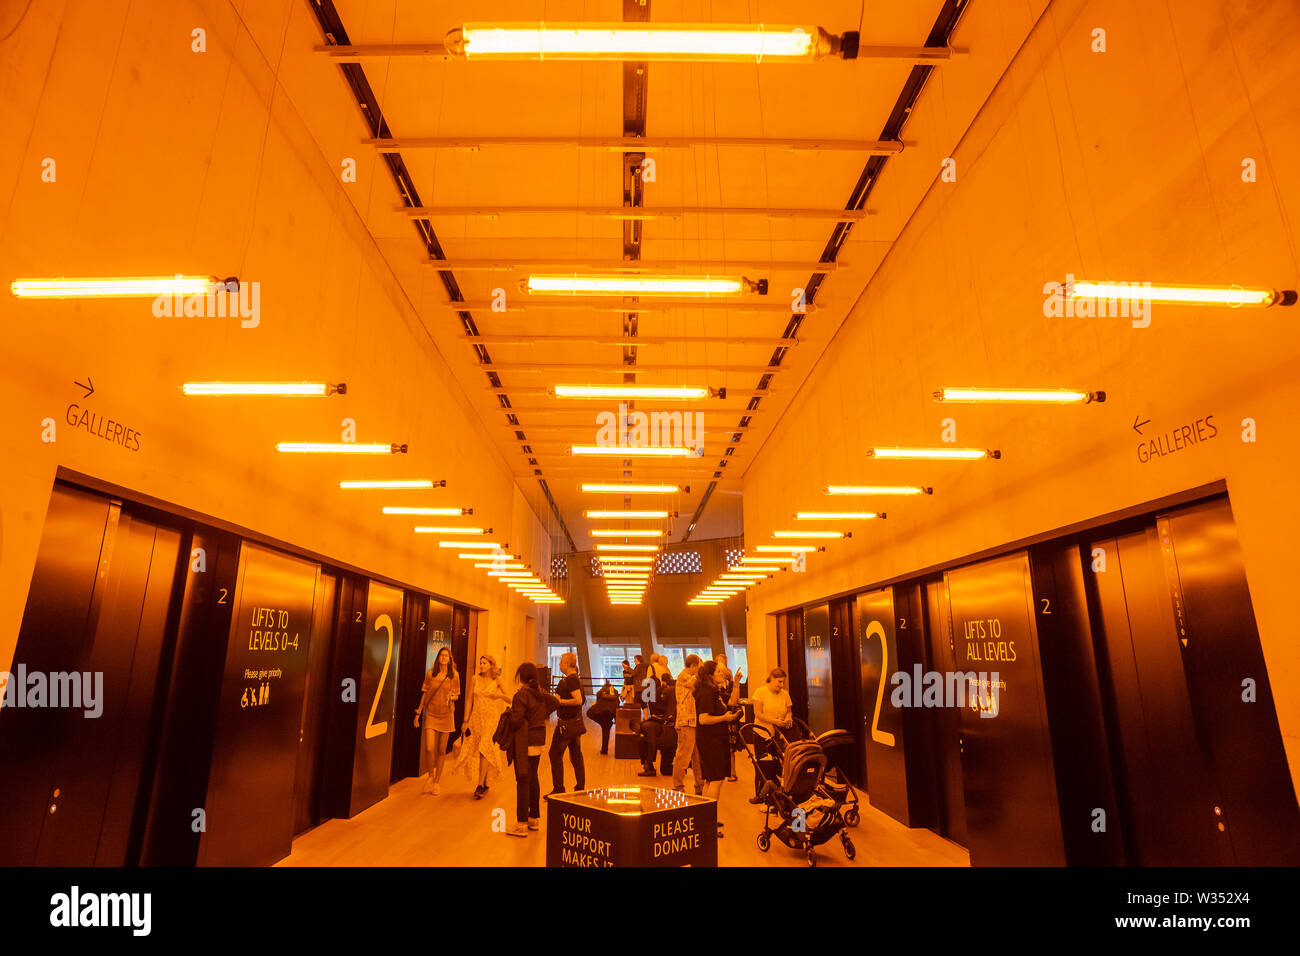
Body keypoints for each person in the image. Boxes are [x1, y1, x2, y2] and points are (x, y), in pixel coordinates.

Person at [504, 662, 560, 837]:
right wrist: (541, 715)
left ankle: (521, 823)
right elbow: (555, 702)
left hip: (525, 741)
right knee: (533, 777)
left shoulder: (521, 695)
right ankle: (534, 819)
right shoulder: (540, 694)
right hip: (539, 739)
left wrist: (509, 714)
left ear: (521, 677)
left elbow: (516, 720)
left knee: (522, 779)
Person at [453, 653, 512, 798]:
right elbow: (468, 700)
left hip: (491, 718)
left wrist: (498, 696)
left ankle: (479, 785)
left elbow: (510, 698)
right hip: (476, 718)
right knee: (478, 749)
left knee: (484, 748)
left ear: (491, 665)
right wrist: (465, 720)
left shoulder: (497, 680)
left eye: (485, 663)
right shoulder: (475, 679)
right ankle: (484, 782)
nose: (481, 665)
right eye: (481, 663)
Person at [695, 660, 741, 835]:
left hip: (714, 738)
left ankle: (706, 819)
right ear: (711, 675)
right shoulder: (706, 692)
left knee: (710, 779)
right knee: (716, 780)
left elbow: (730, 703)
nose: (724, 673)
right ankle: (708, 823)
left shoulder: (714, 690)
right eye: (720, 671)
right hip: (710, 739)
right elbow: (703, 719)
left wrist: (736, 683)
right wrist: (725, 719)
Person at [414, 647, 460, 795]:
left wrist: (452, 698)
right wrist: (418, 712)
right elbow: (425, 694)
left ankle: (437, 782)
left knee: (441, 750)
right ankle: (430, 776)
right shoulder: (430, 674)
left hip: (447, 715)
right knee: (429, 748)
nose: (444, 657)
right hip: (432, 714)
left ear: (450, 658)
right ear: (438, 658)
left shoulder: (454, 676)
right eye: (442, 655)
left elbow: (457, 694)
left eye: (446, 655)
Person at [748, 667, 793, 803]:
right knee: (762, 763)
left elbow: (789, 711)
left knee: (778, 763)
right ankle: (760, 794)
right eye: (779, 682)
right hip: (762, 732)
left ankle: (776, 793)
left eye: (783, 682)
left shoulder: (784, 694)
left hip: (778, 734)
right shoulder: (760, 692)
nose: (781, 685)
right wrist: (774, 721)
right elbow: (758, 713)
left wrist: (789, 718)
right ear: (772, 679)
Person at [548, 651, 585, 793]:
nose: (559, 664)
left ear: (567, 664)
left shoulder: (571, 680)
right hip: (573, 724)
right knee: (576, 756)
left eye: (561, 661)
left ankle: (559, 788)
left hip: (566, 725)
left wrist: (561, 701)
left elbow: (579, 700)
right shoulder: (570, 680)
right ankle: (580, 788)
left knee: (555, 754)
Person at [672, 655, 704, 794]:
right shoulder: (684, 676)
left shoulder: (687, 676)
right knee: (683, 756)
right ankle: (678, 787)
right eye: (699, 666)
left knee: (697, 756)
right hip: (686, 722)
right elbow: (695, 684)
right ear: (693, 666)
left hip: (693, 722)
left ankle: (699, 786)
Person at [637, 663, 677, 776]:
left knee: (644, 742)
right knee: (665, 770)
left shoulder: (647, 727)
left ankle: (650, 768)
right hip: (670, 735)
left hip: (668, 738)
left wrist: (648, 762)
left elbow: (652, 744)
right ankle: (680, 769)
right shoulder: (670, 691)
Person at [714, 654, 744, 782]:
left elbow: (733, 701)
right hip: (716, 723)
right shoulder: (709, 690)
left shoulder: (726, 686)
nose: (721, 674)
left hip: (729, 719)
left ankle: (731, 771)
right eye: (718, 671)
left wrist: (736, 683)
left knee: (730, 747)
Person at [587, 681, 620, 755]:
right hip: (611, 714)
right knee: (606, 730)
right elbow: (617, 704)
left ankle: (604, 750)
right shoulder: (616, 692)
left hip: (601, 713)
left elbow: (597, 703)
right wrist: (616, 718)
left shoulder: (600, 692)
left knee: (588, 713)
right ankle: (604, 750)